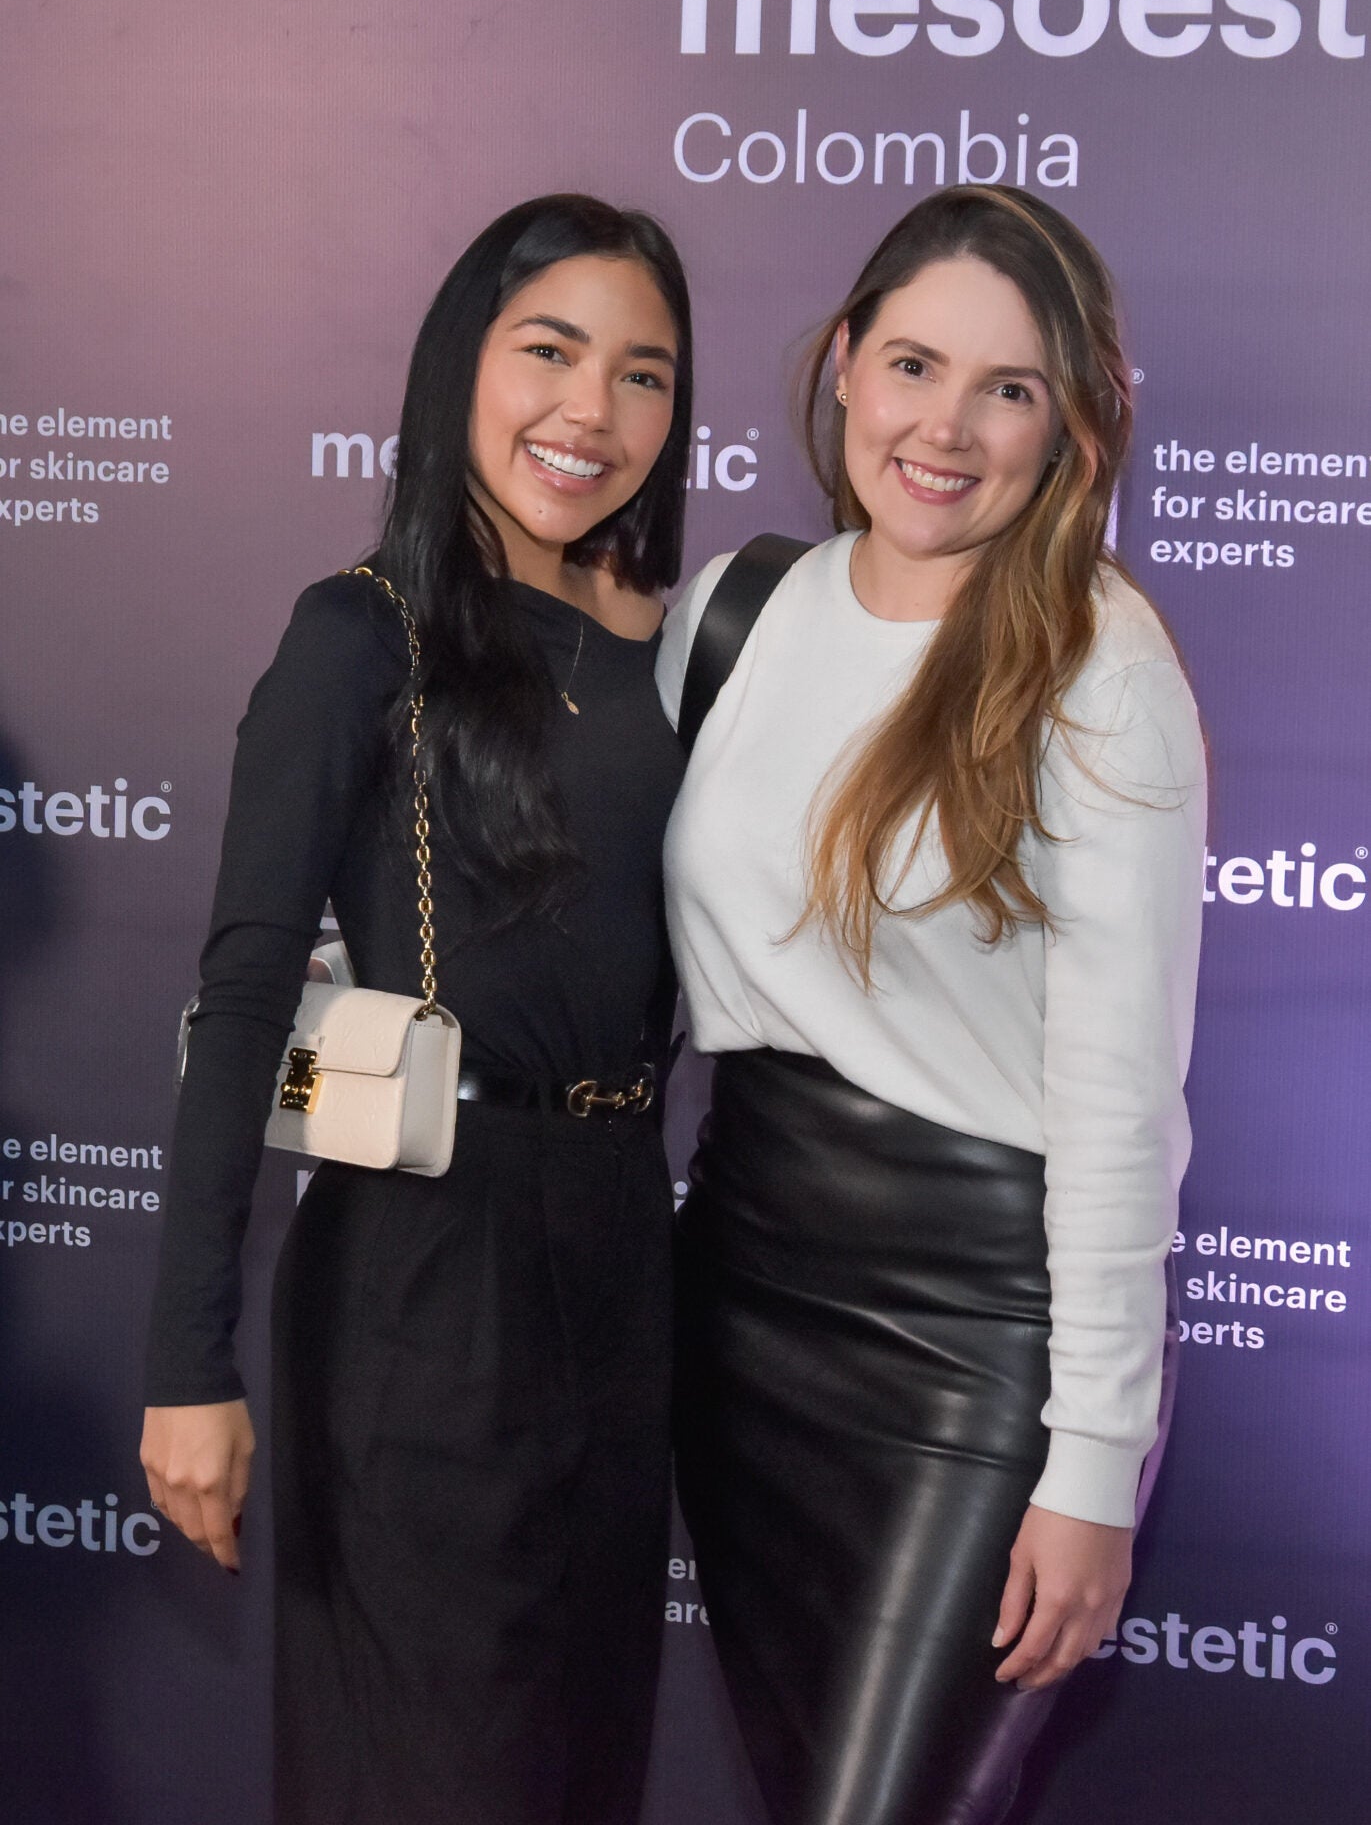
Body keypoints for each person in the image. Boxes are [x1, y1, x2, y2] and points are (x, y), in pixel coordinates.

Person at [141, 193, 693, 1825]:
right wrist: (187, 1363)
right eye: (550, 351)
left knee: (582, 1769)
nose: (592, 411)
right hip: (421, 1287)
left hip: (623, 1262)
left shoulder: (679, 652)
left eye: (645, 373)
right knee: (440, 1775)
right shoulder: (359, 633)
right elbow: (244, 996)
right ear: (461, 359)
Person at [657, 185, 1206, 1825]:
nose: (944, 427)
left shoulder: (1097, 663)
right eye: (911, 364)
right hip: (739, 1301)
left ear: (1070, 426)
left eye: (1009, 388)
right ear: (842, 367)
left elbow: (1118, 1104)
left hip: (976, 1345)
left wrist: (1094, 1461)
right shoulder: (736, 615)